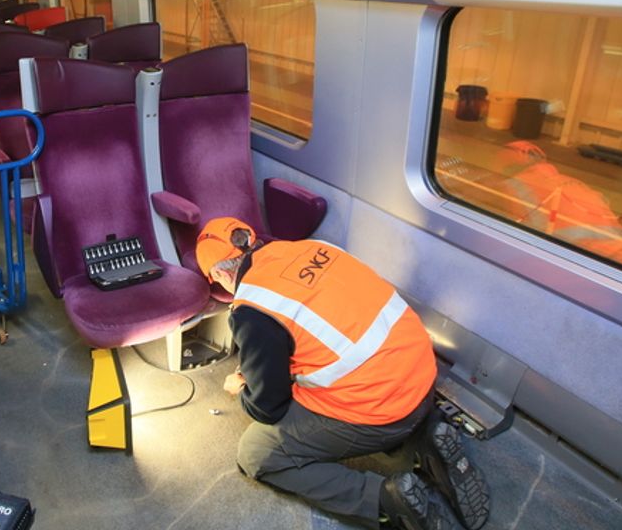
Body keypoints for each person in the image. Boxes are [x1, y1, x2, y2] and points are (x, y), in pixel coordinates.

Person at [198, 217, 489, 530]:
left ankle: (387, 500)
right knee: (354, 382)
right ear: (251, 241)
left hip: (382, 409)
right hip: (421, 375)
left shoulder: (252, 308)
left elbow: (269, 407)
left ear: (220, 274)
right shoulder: (313, 247)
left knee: (257, 453)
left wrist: (243, 390)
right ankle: (428, 438)